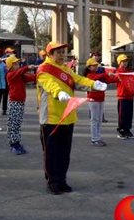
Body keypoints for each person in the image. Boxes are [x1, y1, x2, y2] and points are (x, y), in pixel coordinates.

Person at [37, 42, 107, 195]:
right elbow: (50, 84)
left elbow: (79, 80)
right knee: (51, 153)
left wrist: (94, 84)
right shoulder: (44, 70)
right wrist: (59, 93)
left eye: (63, 52)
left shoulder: (66, 69)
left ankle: (62, 180)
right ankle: (52, 181)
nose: (62, 55)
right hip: (51, 118)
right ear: (50, 54)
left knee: (64, 152)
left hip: (68, 116)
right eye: (58, 52)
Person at [5, 55, 36, 154]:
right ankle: (14, 145)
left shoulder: (19, 75)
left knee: (17, 124)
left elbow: (31, 77)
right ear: (11, 66)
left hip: (20, 102)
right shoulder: (10, 74)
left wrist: (41, 75)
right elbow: (20, 71)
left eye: (18, 63)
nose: (18, 65)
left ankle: (17, 143)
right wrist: (28, 67)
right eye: (15, 64)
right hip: (14, 102)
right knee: (13, 124)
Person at [85, 57, 119, 146]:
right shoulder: (89, 75)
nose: (95, 67)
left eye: (96, 65)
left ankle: (98, 138)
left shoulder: (99, 74)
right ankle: (94, 139)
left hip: (101, 99)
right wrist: (107, 74)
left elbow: (108, 80)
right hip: (93, 99)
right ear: (89, 67)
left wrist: (117, 78)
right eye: (93, 66)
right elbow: (98, 77)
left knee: (99, 120)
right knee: (94, 119)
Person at [115, 54, 134, 139]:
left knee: (129, 114)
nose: (125, 63)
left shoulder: (129, 72)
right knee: (122, 114)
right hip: (122, 96)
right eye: (123, 61)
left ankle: (127, 130)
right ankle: (121, 130)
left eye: (126, 61)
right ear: (119, 62)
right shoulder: (118, 72)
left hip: (130, 96)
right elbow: (116, 78)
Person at [1, 47, 16, 116]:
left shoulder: (13, 59)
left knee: (12, 94)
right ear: (7, 53)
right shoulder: (3, 58)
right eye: (10, 52)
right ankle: (4, 109)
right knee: (5, 95)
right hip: (5, 79)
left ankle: (12, 108)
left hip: (12, 78)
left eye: (12, 52)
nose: (11, 53)